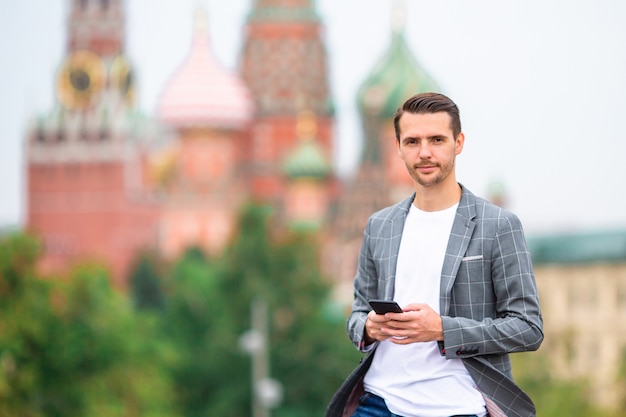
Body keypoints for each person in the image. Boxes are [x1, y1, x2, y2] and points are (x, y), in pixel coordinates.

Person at [326, 92, 543, 417]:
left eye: (436, 139)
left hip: (458, 407)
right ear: (398, 147)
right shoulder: (379, 226)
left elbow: (528, 328)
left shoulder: (498, 225)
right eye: (412, 141)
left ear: (458, 142)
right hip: (377, 403)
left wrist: (441, 328)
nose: (424, 152)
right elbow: (356, 315)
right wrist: (370, 326)